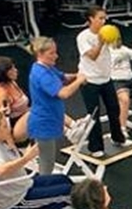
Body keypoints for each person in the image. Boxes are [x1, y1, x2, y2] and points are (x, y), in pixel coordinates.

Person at [0, 110, 73, 209]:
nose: (8, 129)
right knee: (68, 193)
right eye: (4, 127)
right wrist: (27, 158)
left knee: (63, 179)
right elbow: (0, 170)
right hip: (16, 201)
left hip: (24, 185)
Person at [0, 56, 87, 146]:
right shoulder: (1, 93)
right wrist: (10, 144)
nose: (16, 70)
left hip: (25, 120)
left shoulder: (12, 83)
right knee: (39, 111)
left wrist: (77, 76)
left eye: (14, 67)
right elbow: (1, 122)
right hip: (14, 132)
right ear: (4, 74)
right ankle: (69, 133)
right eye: (11, 70)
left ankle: (74, 125)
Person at [29, 37, 89, 175]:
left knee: (48, 161)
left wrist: (77, 75)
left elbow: (63, 77)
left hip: (52, 116)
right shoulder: (41, 74)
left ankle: (71, 129)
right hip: (44, 123)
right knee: (47, 164)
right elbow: (64, 93)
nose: (56, 56)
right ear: (40, 54)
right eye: (51, 53)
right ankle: (45, 187)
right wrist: (79, 81)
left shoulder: (47, 67)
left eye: (55, 52)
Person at [77, 5, 126, 158]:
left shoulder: (106, 31)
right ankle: (95, 147)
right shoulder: (83, 37)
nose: (104, 21)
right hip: (89, 81)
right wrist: (100, 42)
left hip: (106, 78)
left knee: (114, 109)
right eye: (100, 18)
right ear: (91, 19)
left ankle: (117, 138)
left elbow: (117, 46)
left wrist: (115, 37)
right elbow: (92, 56)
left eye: (105, 18)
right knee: (94, 115)